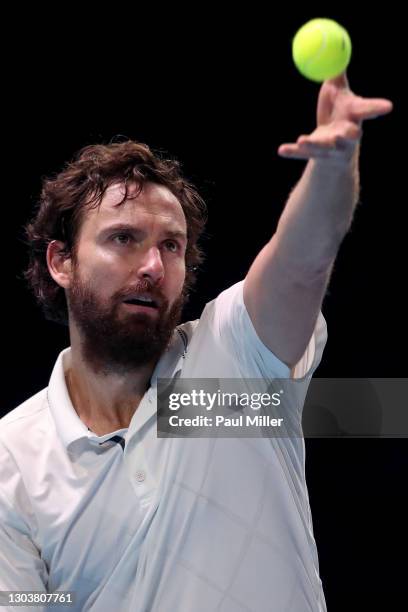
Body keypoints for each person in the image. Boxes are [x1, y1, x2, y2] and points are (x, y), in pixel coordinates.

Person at [0, 74, 392, 611]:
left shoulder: (234, 361)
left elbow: (302, 262)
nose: (153, 266)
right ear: (61, 261)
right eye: (123, 238)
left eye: (172, 245)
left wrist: (331, 170)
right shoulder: (11, 458)